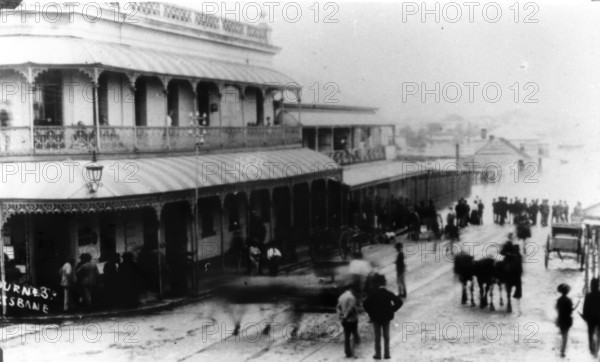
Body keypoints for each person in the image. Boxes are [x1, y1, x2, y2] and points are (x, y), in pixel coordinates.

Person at [363, 274, 403, 360]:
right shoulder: (388, 293)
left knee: (377, 337)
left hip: (376, 318)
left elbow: (365, 304)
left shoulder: (373, 294)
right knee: (386, 337)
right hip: (386, 318)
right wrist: (392, 309)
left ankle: (378, 354)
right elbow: (399, 302)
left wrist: (371, 312)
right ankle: (387, 354)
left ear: (377, 284)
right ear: (384, 284)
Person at [337, 286, 360, 358]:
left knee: (347, 336)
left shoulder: (341, 297)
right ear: (350, 290)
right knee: (354, 334)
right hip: (352, 319)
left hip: (344, 320)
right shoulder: (351, 297)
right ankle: (354, 352)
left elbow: (338, 307)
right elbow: (351, 307)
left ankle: (347, 352)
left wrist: (341, 316)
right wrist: (346, 315)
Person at [556, 283, 576, 358]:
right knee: (565, 335)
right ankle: (562, 350)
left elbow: (557, 309)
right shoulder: (569, 300)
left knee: (563, 334)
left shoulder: (559, 300)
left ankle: (562, 349)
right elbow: (570, 311)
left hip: (561, 319)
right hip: (567, 320)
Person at [583, 278, 600, 357]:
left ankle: (591, 348)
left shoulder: (588, 296)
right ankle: (597, 348)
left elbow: (585, 308)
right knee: (599, 334)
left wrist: (585, 316)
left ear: (591, 285)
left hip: (590, 319)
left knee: (590, 333)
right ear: (598, 285)